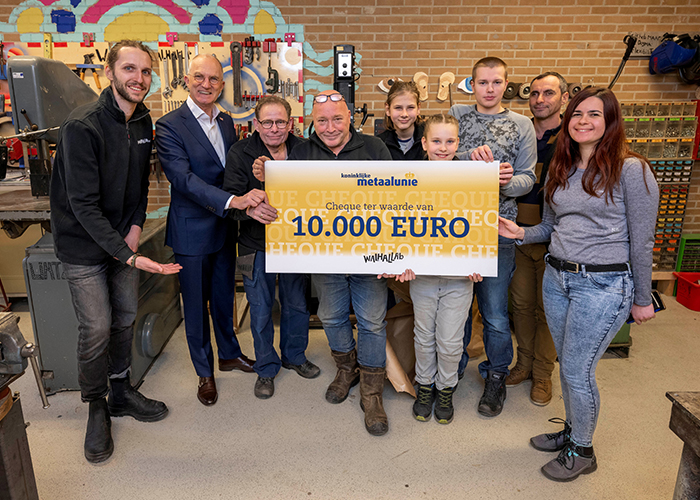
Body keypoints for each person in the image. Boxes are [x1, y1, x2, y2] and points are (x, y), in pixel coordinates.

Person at [499, 87, 658, 481]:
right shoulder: (562, 167)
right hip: (557, 278)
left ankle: (583, 452)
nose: (583, 121)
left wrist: (642, 297)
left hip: (603, 285)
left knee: (576, 370)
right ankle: (572, 432)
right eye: (577, 115)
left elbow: (643, 239)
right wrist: (520, 232)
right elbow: (554, 227)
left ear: (610, 122)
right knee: (570, 367)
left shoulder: (631, 168)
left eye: (594, 115)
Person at [50, 40, 182, 463]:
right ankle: (96, 406)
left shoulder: (143, 120)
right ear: (110, 72)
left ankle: (121, 390)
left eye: (145, 71)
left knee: (125, 317)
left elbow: (140, 186)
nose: (138, 78)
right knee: (97, 328)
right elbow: (82, 205)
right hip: (83, 245)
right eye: (129, 68)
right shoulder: (82, 126)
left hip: (122, 239)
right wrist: (129, 256)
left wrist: (137, 229)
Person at [155, 55, 264, 406]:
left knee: (222, 298)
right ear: (187, 80)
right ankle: (204, 371)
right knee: (197, 307)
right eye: (199, 77)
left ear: (222, 84)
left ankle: (229, 354)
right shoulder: (170, 125)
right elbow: (183, 180)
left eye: (214, 79)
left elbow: (230, 170)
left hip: (223, 227)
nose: (206, 84)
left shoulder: (228, 122)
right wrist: (235, 200)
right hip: (191, 231)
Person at [288, 90, 393, 436]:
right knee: (331, 316)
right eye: (321, 120)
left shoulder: (375, 148)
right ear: (311, 122)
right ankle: (346, 369)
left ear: (350, 117)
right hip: (326, 255)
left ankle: (372, 391)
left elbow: (396, 198)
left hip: (369, 253)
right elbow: (289, 199)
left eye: (337, 118)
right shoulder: (301, 152)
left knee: (372, 322)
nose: (330, 127)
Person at [449, 57, 537, 417]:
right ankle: (450, 374)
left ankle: (496, 375)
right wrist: (470, 159)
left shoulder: (522, 125)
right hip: (453, 229)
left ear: (506, 84)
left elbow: (527, 178)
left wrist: (503, 181)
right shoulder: (456, 113)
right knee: (456, 309)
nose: (490, 88)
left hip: (498, 228)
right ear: (472, 84)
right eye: (482, 82)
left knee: (495, 312)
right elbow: (437, 159)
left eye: (496, 82)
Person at [381, 114, 482, 425]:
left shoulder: (473, 179)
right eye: (436, 141)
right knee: (424, 337)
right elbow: (398, 223)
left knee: (451, 341)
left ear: (458, 143)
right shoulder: (407, 178)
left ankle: (445, 387)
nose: (443, 147)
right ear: (423, 143)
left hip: (460, 279)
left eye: (449, 141)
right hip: (421, 277)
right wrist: (400, 261)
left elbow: (479, 224)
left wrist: (479, 260)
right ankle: (425, 386)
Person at [222, 95, 318, 400]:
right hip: (254, 243)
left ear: (291, 123)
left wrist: (277, 177)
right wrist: (248, 210)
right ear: (256, 124)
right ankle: (265, 367)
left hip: (294, 242)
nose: (274, 129)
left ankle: (295, 356)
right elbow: (229, 201)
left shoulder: (305, 151)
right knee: (261, 310)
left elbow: (314, 194)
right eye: (267, 122)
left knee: (296, 304)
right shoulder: (240, 153)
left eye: (280, 122)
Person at [506, 72, 569, 406]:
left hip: (554, 234)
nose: (540, 99)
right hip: (518, 229)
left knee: (549, 310)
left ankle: (543, 374)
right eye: (534, 93)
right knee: (521, 305)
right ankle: (524, 363)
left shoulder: (571, 135)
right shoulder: (519, 131)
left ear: (563, 97)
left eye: (549, 93)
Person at [377, 81, 425, 160]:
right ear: (388, 109)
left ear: (418, 108)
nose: (404, 114)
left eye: (410, 107)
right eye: (398, 108)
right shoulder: (379, 145)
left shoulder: (431, 142)